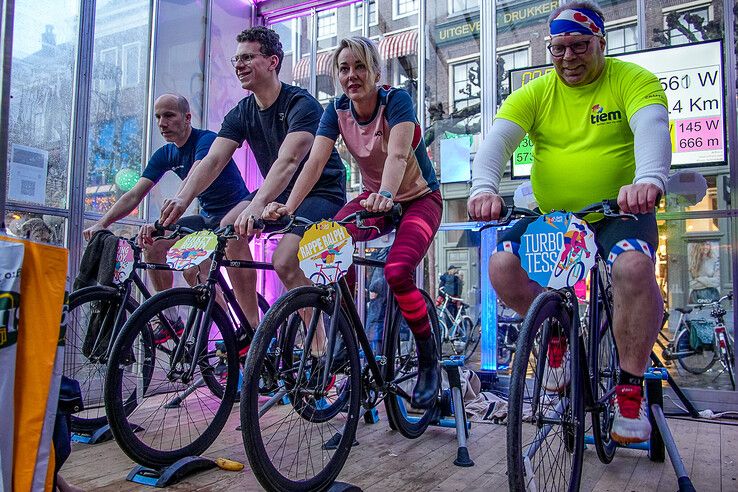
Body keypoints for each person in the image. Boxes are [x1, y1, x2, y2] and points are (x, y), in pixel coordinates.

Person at [468, 1, 670, 444]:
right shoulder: (537, 91)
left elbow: (652, 124)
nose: (568, 59)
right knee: (502, 266)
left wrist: (649, 179)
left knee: (633, 269)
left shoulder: (633, 80)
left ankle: (630, 387)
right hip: (555, 218)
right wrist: (483, 187)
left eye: (579, 46)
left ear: (600, 41)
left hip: (619, 213)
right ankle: (556, 337)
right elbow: (498, 140)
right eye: (558, 49)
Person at [263, 36, 442, 409]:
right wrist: (290, 209)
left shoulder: (397, 101)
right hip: (376, 198)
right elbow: (312, 164)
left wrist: (388, 196)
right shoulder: (336, 110)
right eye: (344, 68)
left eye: (360, 66)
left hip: (418, 198)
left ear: (376, 71)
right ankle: (344, 335)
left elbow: (396, 155)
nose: (351, 75)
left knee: (396, 272)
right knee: (325, 245)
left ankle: (429, 359)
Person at [159, 27, 346, 351]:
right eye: (236, 58)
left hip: (321, 191)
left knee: (286, 260)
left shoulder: (301, 104)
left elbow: (289, 161)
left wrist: (257, 204)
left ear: (273, 61)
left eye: (247, 57)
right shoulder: (243, 112)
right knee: (228, 230)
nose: (239, 65)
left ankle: (318, 348)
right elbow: (212, 160)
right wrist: (182, 197)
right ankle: (255, 332)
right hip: (279, 192)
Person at [83, 94, 249, 341]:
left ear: (187, 118)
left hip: (234, 214)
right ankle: (170, 320)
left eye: (169, 115)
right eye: (158, 116)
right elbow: (134, 195)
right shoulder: (165, 154)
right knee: (154, 243)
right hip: (205, 218)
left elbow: (198, 171)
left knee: (198, 272)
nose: (162, 122)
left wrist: (172, 210)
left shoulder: (206, 140)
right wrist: (102, 223)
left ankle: (231, 338)